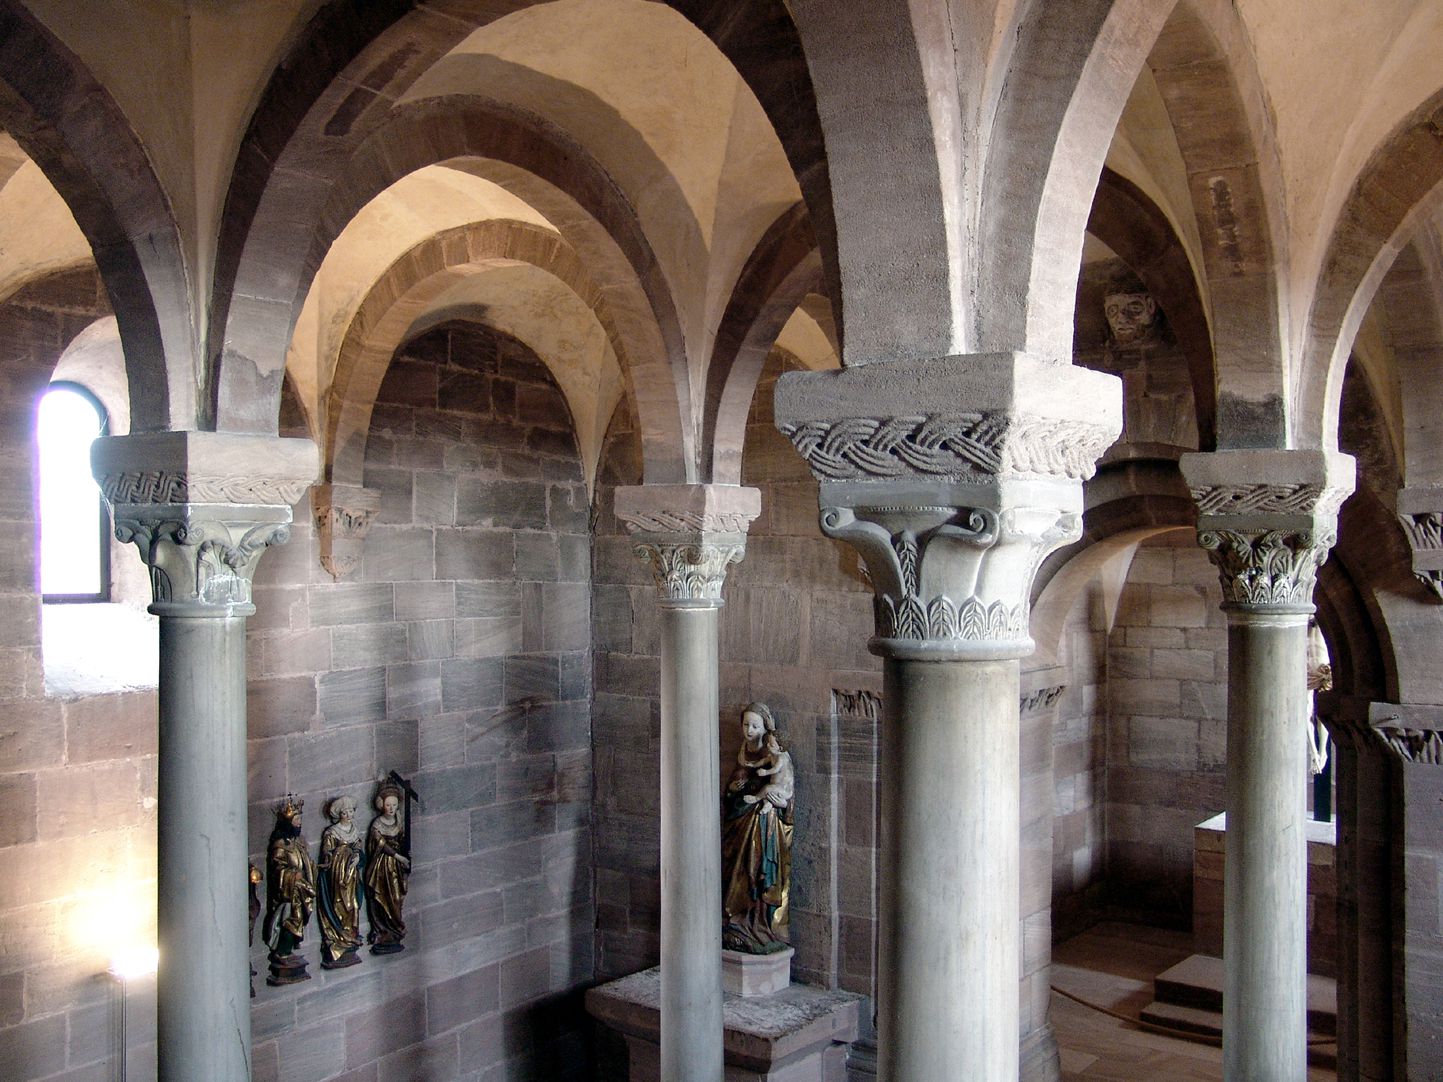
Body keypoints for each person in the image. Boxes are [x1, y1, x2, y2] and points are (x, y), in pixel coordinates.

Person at [721, 702, 794, 954]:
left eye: (755, 725)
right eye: (745, 724)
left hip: (765, 826)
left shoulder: (776, 755)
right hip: (740, 827)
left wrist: (780, 802)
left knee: (762, 872)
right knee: (739, 873)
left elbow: (786, 793)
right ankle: (739, 923)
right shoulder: (743, 754)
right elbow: (730, 795)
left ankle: (762, 925)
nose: (749, 730)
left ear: (765, 728)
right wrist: (732, 791)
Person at [263, 796, 316, 984]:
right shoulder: (280, 845)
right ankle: (282, 953)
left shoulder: (298, 842)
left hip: (300, 891)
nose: (299, 823)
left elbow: (306, 862)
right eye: (296, 820)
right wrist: (293, 876)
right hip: (288, 893)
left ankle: (287, 951)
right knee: (289, 921)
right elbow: (277, 868)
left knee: (298, 920)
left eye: (300, 819)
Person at [317, 795, 365, 968]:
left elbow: (358, 846)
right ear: (340, 814)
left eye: (351, 811)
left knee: (353, 904)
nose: (349, 815)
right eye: (345, 812)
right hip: (338, 873)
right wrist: (331, 858)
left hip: (352, 874)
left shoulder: (353, 829)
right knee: (340, 902)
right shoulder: (331, 832)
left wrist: (357, 855)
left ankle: (351, 932)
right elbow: (327, 851)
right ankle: (339, 935)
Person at [364, 781, 410, 954]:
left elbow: (402, 839)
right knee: (382, 897)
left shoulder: (398, 820)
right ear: (381, 805)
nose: (391, 808)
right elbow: (381, 845)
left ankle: (395, 929)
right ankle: (383, 930)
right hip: (383, 868)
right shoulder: (377, 824)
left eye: (394, 805)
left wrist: (406, 852)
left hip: (397, 868)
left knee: (397, 898)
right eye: (388, 805)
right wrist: (399, 856)